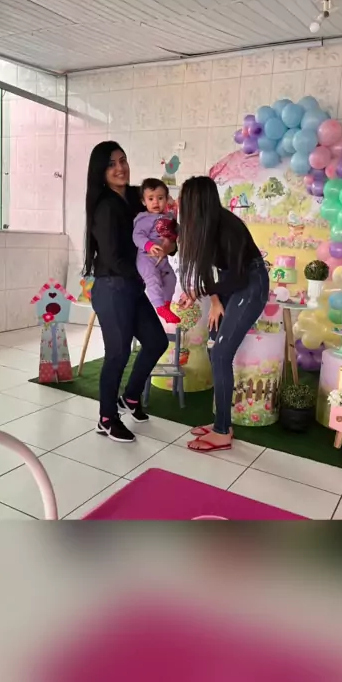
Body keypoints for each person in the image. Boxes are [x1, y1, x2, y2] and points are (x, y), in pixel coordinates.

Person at [84, 141, 171, 443]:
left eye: (123, 160)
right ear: (101, 171)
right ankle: (107, 418)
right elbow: (112, 257)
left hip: (132, 286)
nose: (120, 168)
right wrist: (148, 274)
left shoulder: (136, 198)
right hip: (112, 287)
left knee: (156, 341)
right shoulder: (105, 206)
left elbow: (161, 229)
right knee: (118, 354)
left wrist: (168, 245)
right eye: (111, 164)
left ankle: (131, 397)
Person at [178, 176, 269, 453]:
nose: (179, 202)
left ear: (195, 202)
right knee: (213, 350)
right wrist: (213, 300)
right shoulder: (202, 226)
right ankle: (222, 423)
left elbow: (238, 278)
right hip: (231, 285)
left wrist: (199, 292)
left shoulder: (229, 228)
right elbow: (210, 270)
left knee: (220, 354)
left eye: (183, 197)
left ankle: (221, 432)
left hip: (249, 285)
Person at [132, 178, 180, 324]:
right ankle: (159, 307)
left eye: (160, 198)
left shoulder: (168, 217)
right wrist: (148, 245)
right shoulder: (144, 219)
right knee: (153, 280)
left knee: (171, 278)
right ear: (143, 201)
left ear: (166, 199)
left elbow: (175, 231)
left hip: (162, 259)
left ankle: (166, 305)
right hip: (146, 258)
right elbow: (137, 236)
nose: (156, 202)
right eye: (151, 199)